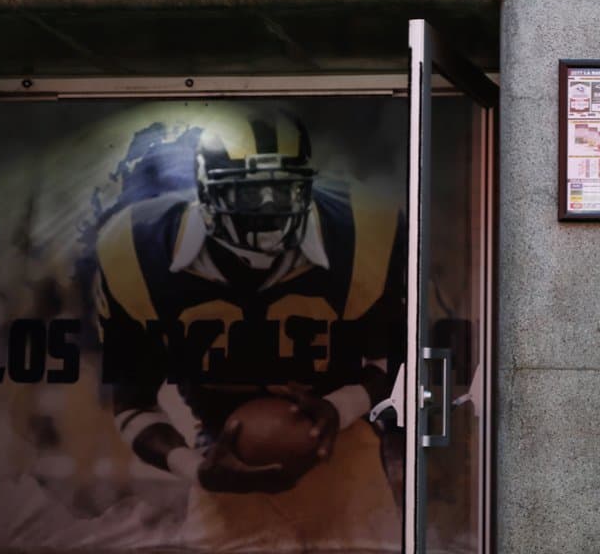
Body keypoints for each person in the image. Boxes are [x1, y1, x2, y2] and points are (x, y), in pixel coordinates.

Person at [93, 104, 405, 550]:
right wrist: (195, 468)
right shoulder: (139, 251)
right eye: (245, 194)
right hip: (223, 453)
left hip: (338, 446)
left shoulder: (364, 232)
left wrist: (339, 407)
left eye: (282, 191)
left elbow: (395, 357)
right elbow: (131, 402)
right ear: (205, 191)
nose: (268, 213)